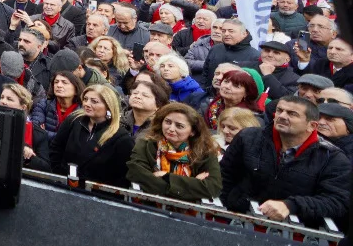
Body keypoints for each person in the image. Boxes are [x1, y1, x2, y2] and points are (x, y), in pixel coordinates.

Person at [221, 95, 353, 228]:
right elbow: (225, 175)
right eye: (279, 110)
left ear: (312, 125)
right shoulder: (248, 138)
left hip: (294, 236)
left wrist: (290, 205)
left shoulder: (332, 158)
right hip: (237, 222)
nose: (282, 116)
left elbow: (338, 201)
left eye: (292, 114)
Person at [126, 102, 223, 202]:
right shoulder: (146, 144)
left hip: (190, 214)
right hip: (150, 207)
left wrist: (166, 177)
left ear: (193, 131)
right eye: (167, 122)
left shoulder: (205, 151)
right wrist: (194, 184)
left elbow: (212, 188)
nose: (171, 129)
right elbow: (136, 175)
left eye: (179, 126)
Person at [50, 83, 134, 187]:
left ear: (108, 106)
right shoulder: (73, 120)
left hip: (97, 194)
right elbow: (56, 148)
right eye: (85, 99)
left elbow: (123, 175)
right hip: (64, 185)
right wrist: (59, 174)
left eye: (94, 101)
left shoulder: (121, 137)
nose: (87, 104)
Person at [0, 82, 48, 169]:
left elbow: (45, 167)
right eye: (2, 97)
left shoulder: (38, 134)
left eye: (9, 99)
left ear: (23, 107)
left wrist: (29, 157)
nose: (3, 102)